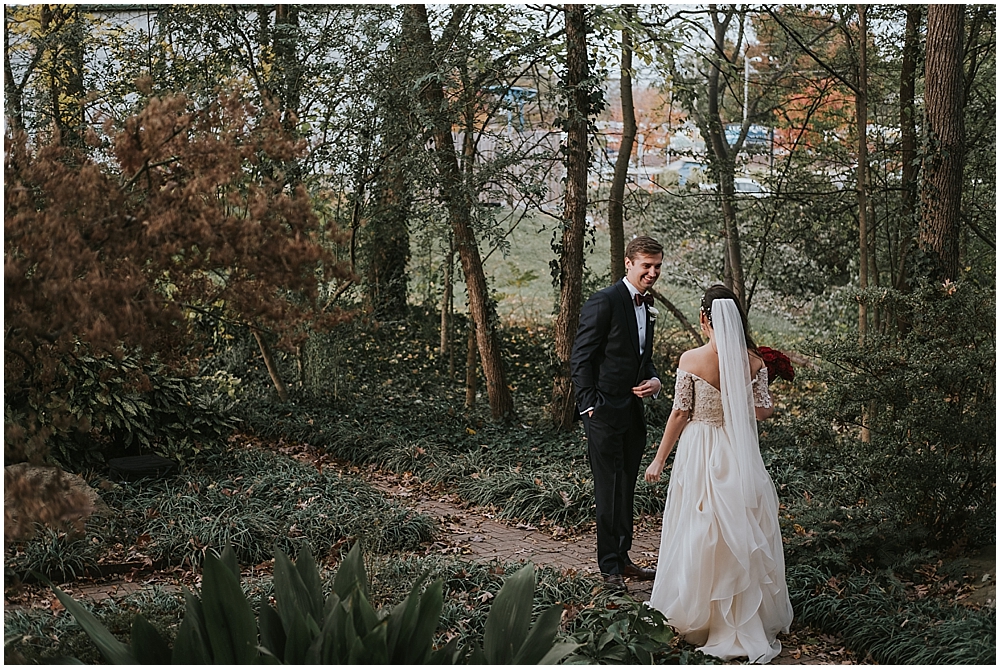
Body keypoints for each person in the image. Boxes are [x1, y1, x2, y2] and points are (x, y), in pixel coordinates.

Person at [645, 284, 793, 663]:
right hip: (737, 451)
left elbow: (680, 413)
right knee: (738, 527)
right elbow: (762, 413)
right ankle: (741, 616)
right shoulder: (754, 362)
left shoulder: (691, 359)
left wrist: (658, 460)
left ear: (704, 318)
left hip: (699, 449)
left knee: (700, 527)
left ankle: (697, 615)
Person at [571, 235, 664, 593]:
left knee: (625, 490)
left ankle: (623, 558)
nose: (652, 273)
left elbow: (643, 358)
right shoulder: (605, 301)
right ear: (629, 263)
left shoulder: (646, 306)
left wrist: (654, 380)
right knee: (608, 490)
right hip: (604, 413)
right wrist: (589, 405)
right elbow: (581, 357)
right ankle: (609, 567)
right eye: (646, 266)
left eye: (657, 266)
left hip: (633, 415)